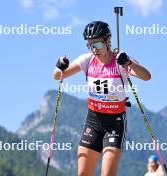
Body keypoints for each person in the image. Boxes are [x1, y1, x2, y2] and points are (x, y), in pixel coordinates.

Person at [53, 21, 151, 176]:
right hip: (93, 121)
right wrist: (60, 65)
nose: (94, 49)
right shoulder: (87, 60)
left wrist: (129, 62)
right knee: (83, 173)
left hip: (115, 122)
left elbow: (146, 76)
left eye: (97, 44)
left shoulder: (120, 60)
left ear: (108, 40)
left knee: (107, 174)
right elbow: (58, 76)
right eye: (90, 45)